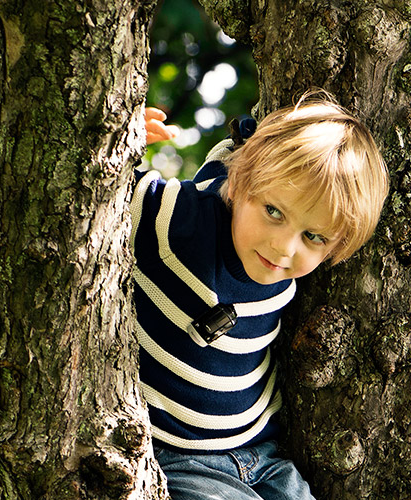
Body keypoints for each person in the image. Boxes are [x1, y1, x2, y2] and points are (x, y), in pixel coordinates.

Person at [131, 92, 389, 499]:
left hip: (262, 458)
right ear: (241, 182)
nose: (284, 248)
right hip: (179, 459)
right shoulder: (177, 219)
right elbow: (96, 196)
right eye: (274, 212)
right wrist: (115, 140)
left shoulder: (283, 262)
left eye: (313, 237)